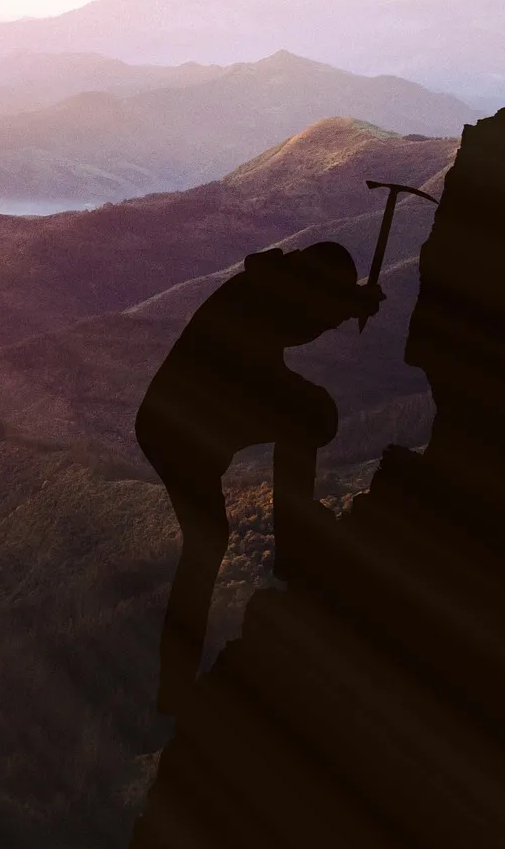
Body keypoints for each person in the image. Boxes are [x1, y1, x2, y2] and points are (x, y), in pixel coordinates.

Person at [136, 242, 381, 716]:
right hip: (183, 429)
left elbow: (297, 318)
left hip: (183, 424)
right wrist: (349, 306)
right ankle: (293, 550)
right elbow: (296, 322)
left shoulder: (266, 286)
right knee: (309, 418)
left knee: (207, 545)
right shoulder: (265, 301)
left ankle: (175, 683)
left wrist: (346, 304)